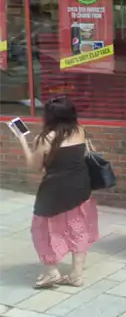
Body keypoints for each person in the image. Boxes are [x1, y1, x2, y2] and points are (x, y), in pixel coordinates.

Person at [12, 96, 99, 288]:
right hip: (80, 189)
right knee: (78, 229)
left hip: (54, 192)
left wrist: (22, 141)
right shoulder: (80, 131)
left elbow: (34, 167)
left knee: (41, 230)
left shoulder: (44, 139)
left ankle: (52, 272)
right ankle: (76, 275)